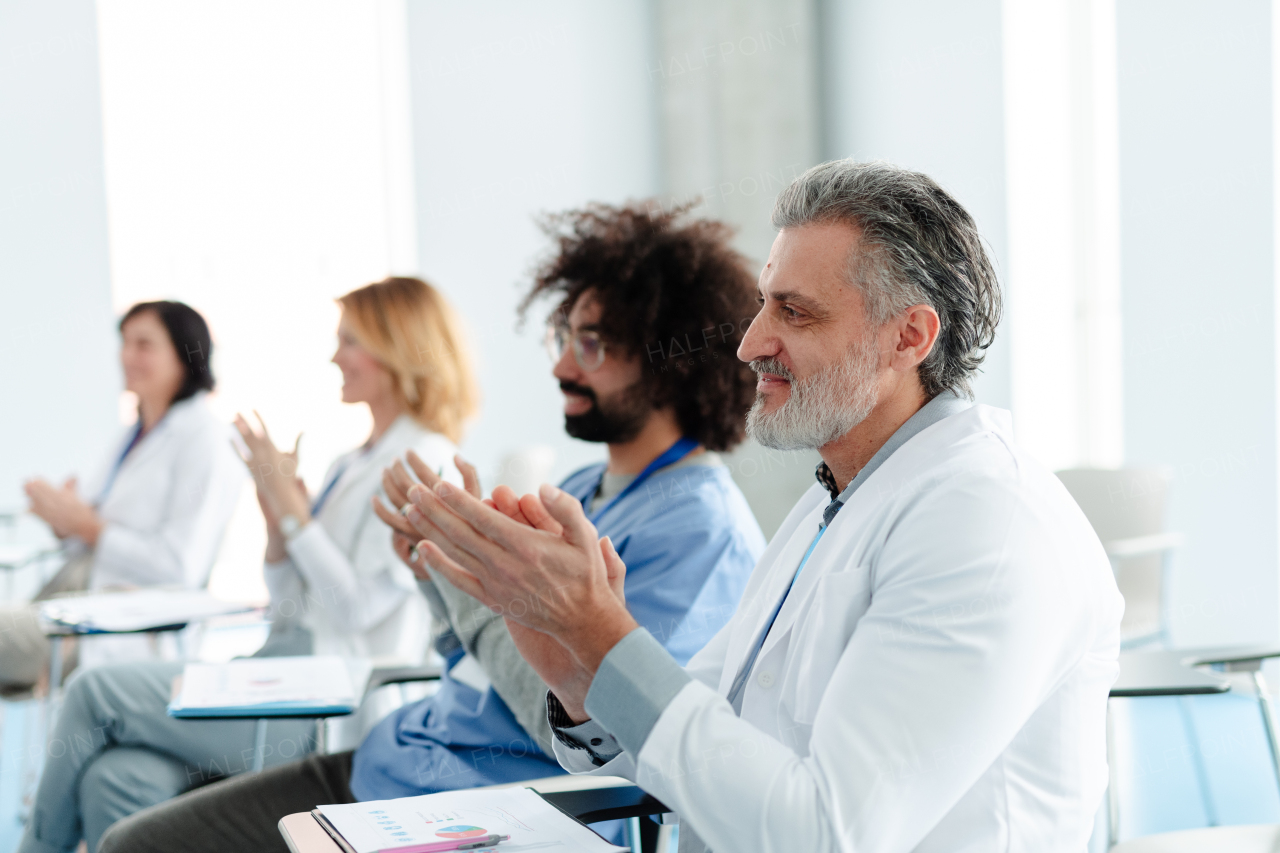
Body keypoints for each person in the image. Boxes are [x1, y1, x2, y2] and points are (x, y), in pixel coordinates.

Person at [401, 161, 1126, 852]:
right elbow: (699, 736)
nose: (750, 344)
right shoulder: (831, 502)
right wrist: (577, 667)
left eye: (794, 312)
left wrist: (603, 634)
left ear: (909, 336)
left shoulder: (985, 523)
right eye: (760, 305)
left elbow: (823, 833)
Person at [95, 203, 767, 853]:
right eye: (562, 337)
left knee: (134, 825)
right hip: (401, 758)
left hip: (479, 803)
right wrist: (438, 579)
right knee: (125, 807)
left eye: (591, 344)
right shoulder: (582, 489)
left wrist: (471, 597)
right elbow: (467, 660)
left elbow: (592, 734)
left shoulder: (702, 531)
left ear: (670, 359)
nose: (562, 365)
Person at [18, 277, 478, 853]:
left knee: (94, 691)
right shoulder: (349, 460)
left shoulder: (423, 460)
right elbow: (287, 595)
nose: (334, 356)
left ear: (399, 349)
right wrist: (275, 520)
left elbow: (359, 609)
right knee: (120, 776)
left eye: (349, 340)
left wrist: (295, 519)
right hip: (284, 667)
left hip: (330, 698)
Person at [13, 301, 244, 688]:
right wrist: (65, 521)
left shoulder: (205, 440)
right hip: (72, 597)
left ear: (185, 354)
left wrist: (89, 527)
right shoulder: (133, 434)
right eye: (124, 343)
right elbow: (92, 533)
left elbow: (180, 567)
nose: (126, 356)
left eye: (144, 345)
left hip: (122, 625)